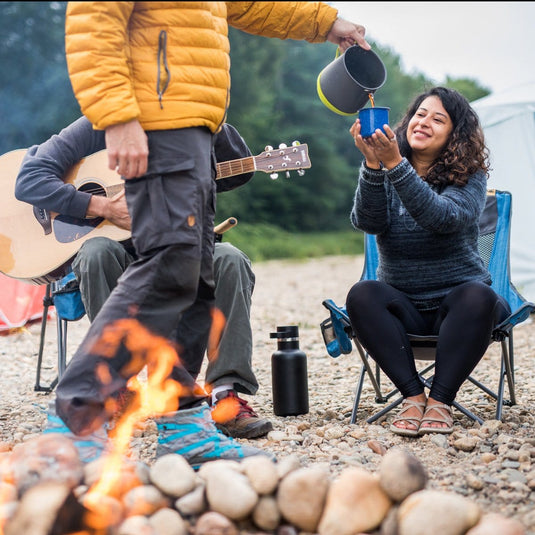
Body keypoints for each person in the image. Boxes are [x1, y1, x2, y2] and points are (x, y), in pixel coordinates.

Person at [47, 2, 369, 466]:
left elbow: (252, 4)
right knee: (168, 264)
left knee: (196, 278)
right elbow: (92, 20)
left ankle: (181, 423)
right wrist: (116, 115)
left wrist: (324, 23)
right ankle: (78, 411)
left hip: (198, 124)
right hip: (159, 116)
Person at [15, 117, 273, 444]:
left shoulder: (190, 123)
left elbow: (244, 169)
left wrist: (216, 122)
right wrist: (101, 205)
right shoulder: (100, 124)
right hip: (119, 258)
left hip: (184, 251)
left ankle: (225, 393)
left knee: (231, 260)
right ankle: (119, 386)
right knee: (96, 252)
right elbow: (28, 180)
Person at [345, 87, 510, 437]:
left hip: (460, 310)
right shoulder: (388, 169)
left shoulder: (470, 177)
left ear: (455, 135)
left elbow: (443, 218)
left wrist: (394, 164)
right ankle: (413, 396)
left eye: (438, 119)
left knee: (480, 297)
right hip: (403, 306)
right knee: (362, 294)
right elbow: (369, 222)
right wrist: (374, 165)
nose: (424, 122)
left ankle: (440, 401)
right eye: (420, 114)